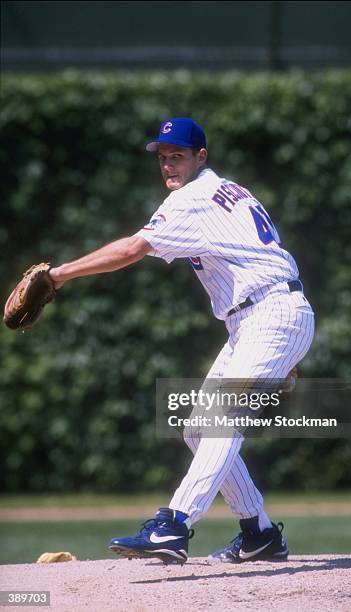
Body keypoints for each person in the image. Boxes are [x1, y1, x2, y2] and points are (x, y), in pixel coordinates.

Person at [49, 117, 315, 565]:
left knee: (225, 417)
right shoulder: (228, 190)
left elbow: (132, 250)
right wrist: (287, 341)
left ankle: (173, 524)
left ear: (201, 157)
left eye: (179, 156)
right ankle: (259, 533)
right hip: (262, 316)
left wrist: (58, 275)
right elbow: (264, 254)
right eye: (163, 157)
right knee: (197, 427)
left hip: (271, 312)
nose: (169, 164)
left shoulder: (192, 199)